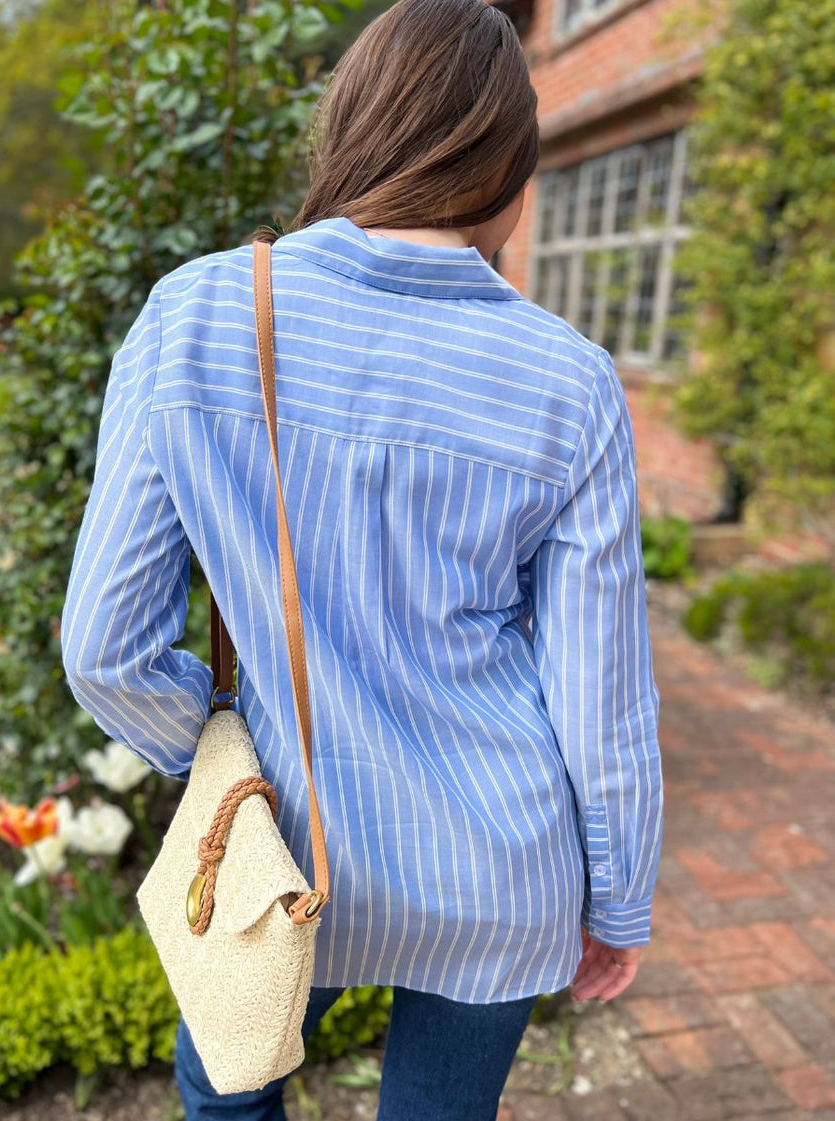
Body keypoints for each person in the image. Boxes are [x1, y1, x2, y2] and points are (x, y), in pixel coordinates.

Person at [59, 0, 665, 1117]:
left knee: (229, 1086)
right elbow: (601, 694)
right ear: (511, 171)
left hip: (283, 841)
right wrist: (617, 898)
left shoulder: (195, 317)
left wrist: (220, 746)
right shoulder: (569, 379)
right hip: (500, 861)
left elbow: (105, 648)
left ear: (352, 130)